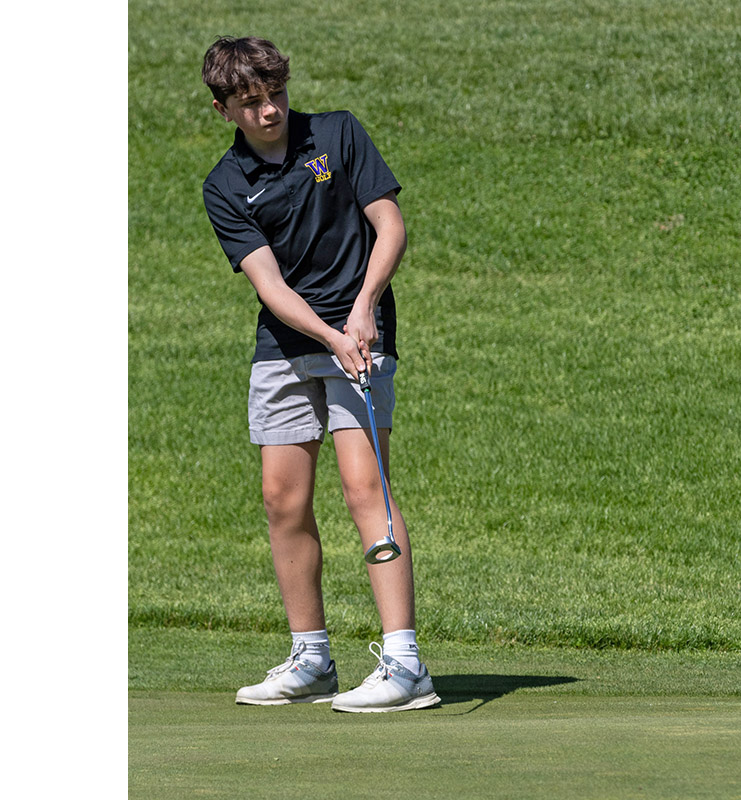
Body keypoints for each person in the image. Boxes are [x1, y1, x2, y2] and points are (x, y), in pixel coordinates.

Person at [200, 35, 438, 713]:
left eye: (275, 94)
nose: (270, 110)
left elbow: (388, 223)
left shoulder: (336, 133)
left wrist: (363, 311)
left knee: (367, 487)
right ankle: (311, 657)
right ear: (223, 109)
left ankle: (405, 663)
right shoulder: (226, 185)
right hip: (288, 344)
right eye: (251, 102)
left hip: (360, 335)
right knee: (283, 499)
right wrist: (329, 334)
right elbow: (269, 285)